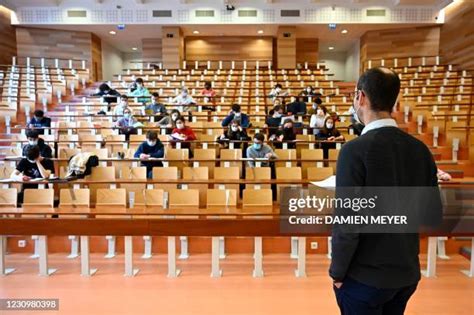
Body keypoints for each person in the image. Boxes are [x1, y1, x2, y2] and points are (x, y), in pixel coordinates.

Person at [330, 67, 442, 315]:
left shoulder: (354, 151)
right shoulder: (420, 149)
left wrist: (337, 272)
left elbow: (347, 222)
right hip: (405, 275)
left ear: (361, 97)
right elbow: (432, 214)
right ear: (394, 100)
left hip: (364, 279)